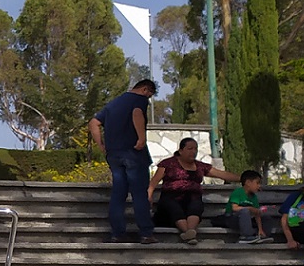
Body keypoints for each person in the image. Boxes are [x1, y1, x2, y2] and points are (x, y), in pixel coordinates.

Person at [88, 78, 157, 244]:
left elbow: (94, 123)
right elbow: (137, 114)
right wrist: (141, 138)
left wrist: (101, 145)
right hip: (133, 152)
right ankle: (146, 233)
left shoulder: (113, 103)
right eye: (150, 95)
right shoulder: (139, 100)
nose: (148, 98)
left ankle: (117, 232)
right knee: (139, 193)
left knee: (118, 194)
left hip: (114, 153)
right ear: (145, 90)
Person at [148, 137, 240, 245]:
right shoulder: (168, 164)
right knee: (172, 205)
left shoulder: (200, 166)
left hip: (192, 197)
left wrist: (243, 178)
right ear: (181, 151)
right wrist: (149, 194)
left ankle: (190, 231)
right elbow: (154, 181)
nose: (194, 152)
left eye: (195, 149)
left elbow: (221, 174)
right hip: (171, 198)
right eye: (190, 148)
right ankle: (188, 232)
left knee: (196, 204)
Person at [227, 170, 268, 245]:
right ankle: (245, 236)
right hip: (232, 218)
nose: (259, 186)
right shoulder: (238, 192)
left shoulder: (253, 197)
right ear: (248, 182)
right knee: (245, 211)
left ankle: (261, 235)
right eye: (257, 183)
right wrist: (249, 208)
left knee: (266, 218)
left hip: (247, 220)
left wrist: (260, 229)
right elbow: (234, 208)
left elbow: (256, 214)